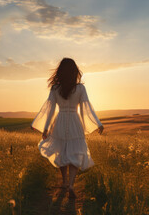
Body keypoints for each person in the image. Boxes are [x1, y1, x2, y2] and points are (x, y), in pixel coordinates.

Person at [31, 58, 104, 199]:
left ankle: (64, 181)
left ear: (60, 72)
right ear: (74, 71)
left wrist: (45, 127)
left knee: (61, 151)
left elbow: (50, 108)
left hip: (60, 121)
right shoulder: (80, 88)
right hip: (75, 122)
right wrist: (98, 123)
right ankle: (71, 184)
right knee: (76, 151)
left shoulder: (55, 88)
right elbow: (86, 107)